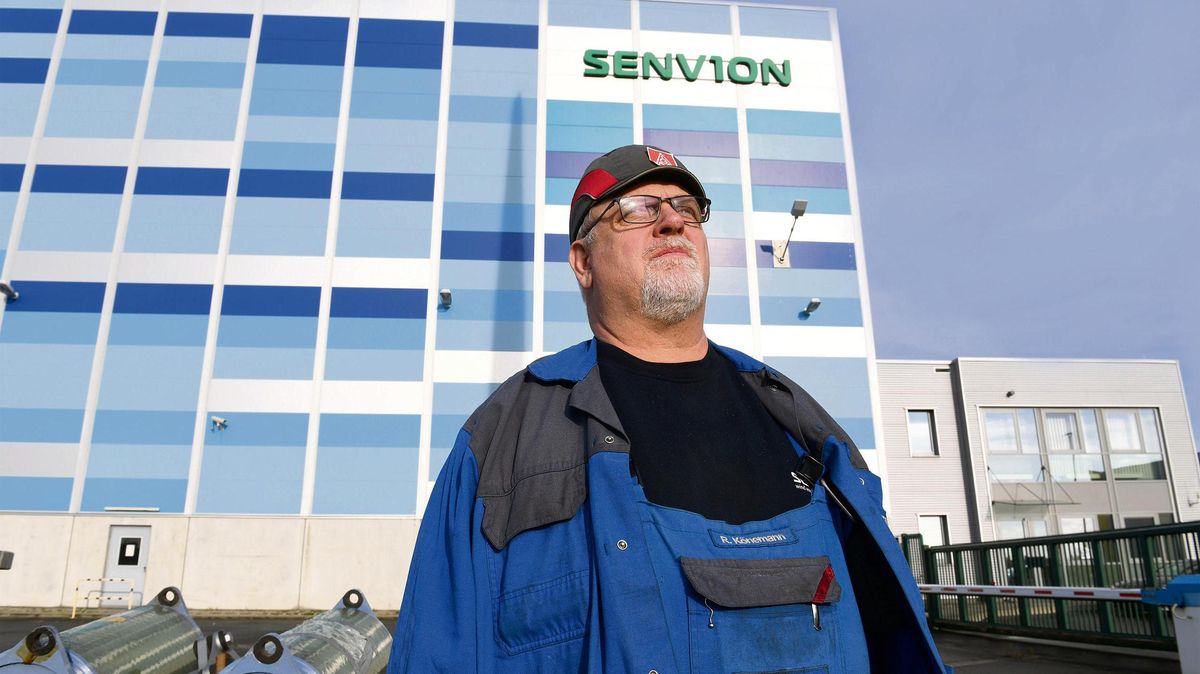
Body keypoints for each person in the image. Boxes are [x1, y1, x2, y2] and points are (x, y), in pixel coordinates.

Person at [389, 145, 949, 673]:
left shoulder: (799, 422)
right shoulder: (501, 439)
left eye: (687, 207)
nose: (673, 221)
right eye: (637, 209)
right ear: (583, 261)